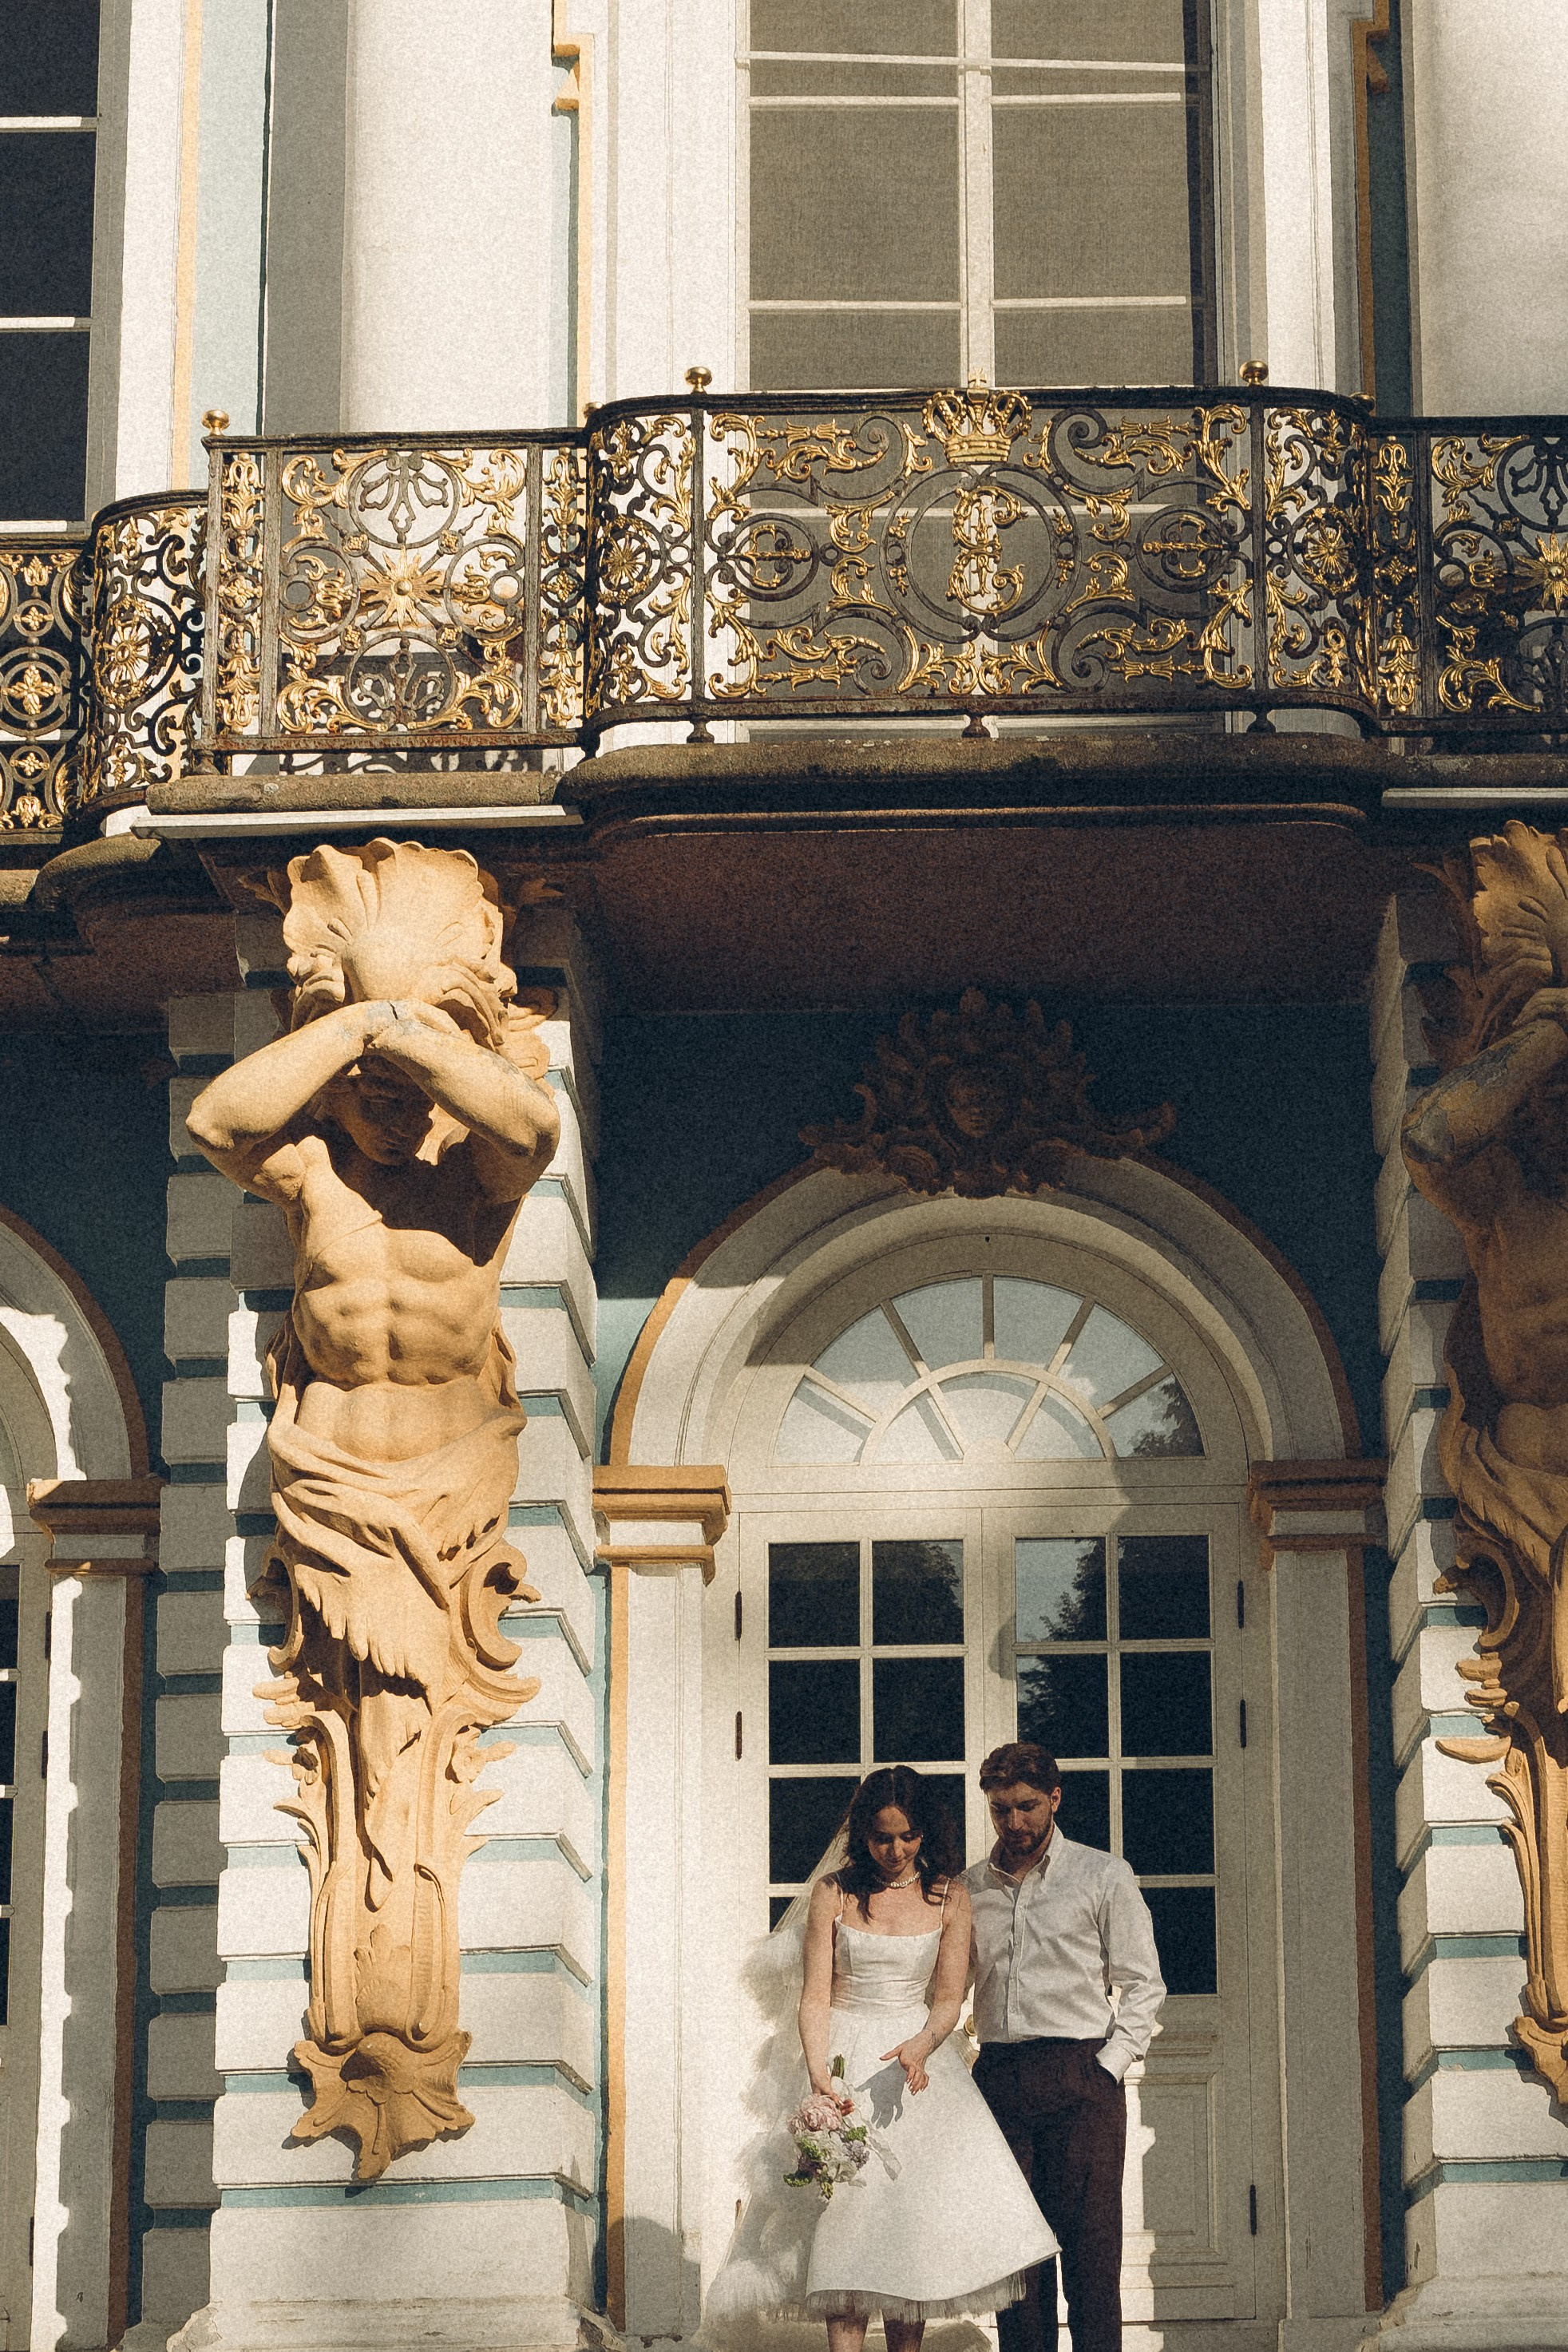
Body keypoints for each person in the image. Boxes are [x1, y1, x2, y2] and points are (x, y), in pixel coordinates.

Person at [706, 1765, 1057, 2351]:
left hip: (915, 2069)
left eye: (908, 1836)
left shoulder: (951, 1895)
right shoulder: (835, 1892)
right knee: (843, 2228)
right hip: (844, 2063)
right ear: (863, 1835)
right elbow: (815, 1995)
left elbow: (949, 1999)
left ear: (926, 1832)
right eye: (882, 1838)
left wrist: (922, 2045)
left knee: (902, 2236)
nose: (895, 1851)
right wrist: (818, 2074)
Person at [964, 1743, 1165, 2352]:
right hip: (1000, 2078)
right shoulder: (969, 1889)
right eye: (1000, 1810)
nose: (1014, 1822)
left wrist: (1108, 2067)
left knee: (1090, 2253)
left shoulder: (1102, 1876)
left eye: (1026, 1806)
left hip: (1081, 2074)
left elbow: (1143, 1984)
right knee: (1017, 2261)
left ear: (1054, 1798)